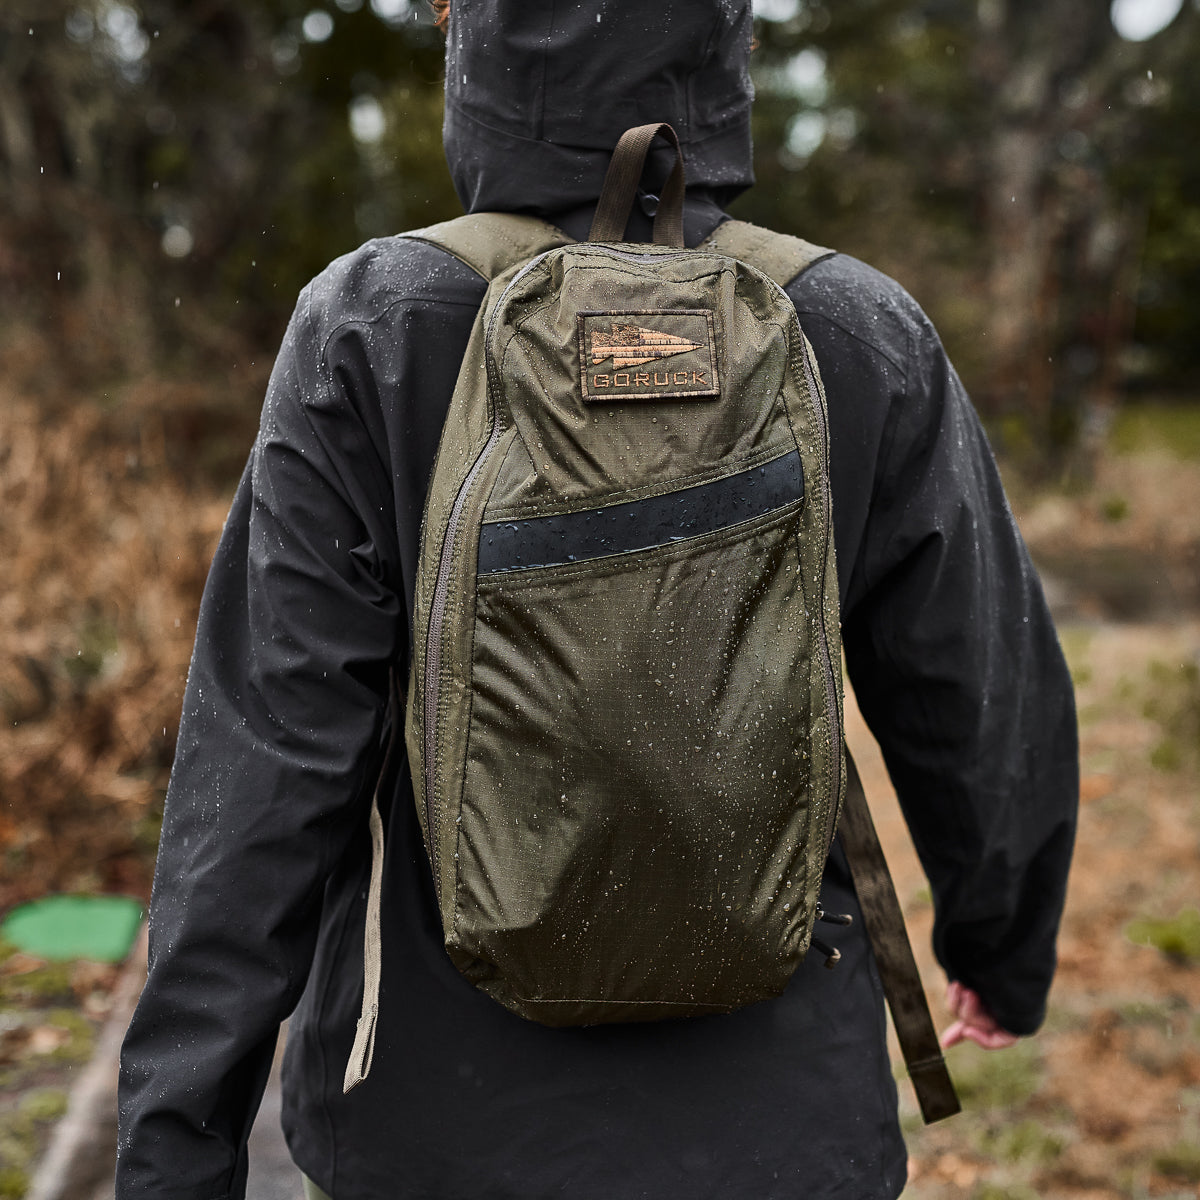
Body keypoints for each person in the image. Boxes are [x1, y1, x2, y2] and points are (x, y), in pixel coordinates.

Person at [116, 3, 1078, 1198]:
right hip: (777, 1126)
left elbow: (260, 772)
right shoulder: (852, 326)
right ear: (726, 52)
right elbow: (983, 692)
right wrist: (1000, 939)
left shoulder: (378, 327)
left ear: (480, 50)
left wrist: (175, 1145)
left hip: (435, 1124)